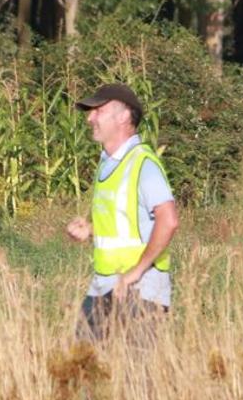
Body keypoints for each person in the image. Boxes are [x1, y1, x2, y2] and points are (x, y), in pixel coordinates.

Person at [64, 82, 179, 342]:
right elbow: (126, 225)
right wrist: (90, 230)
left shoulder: (143, 163)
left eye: (98, 111)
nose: (89, 118)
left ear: (124, 116)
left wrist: (136, 272)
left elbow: (169, 220)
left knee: (135, 379)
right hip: (104, 287)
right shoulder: (108, 163)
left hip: (140, 291)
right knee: (83, 369)